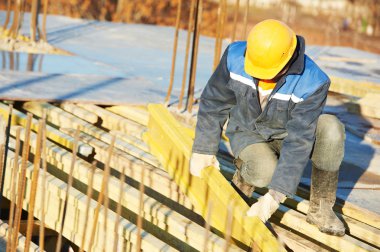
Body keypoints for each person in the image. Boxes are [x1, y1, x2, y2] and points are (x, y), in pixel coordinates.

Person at [189, 19, 346, 236]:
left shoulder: (312, 82)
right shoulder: (235, 56)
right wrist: (203, 149)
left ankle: (321, 208)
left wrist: (276, 196)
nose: (262, 76)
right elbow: (215, 101)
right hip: (248, 130)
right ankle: (243, 186)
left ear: (289, 58)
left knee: (331, 128)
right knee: (263, 172)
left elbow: (299, 139)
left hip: (287, 135)